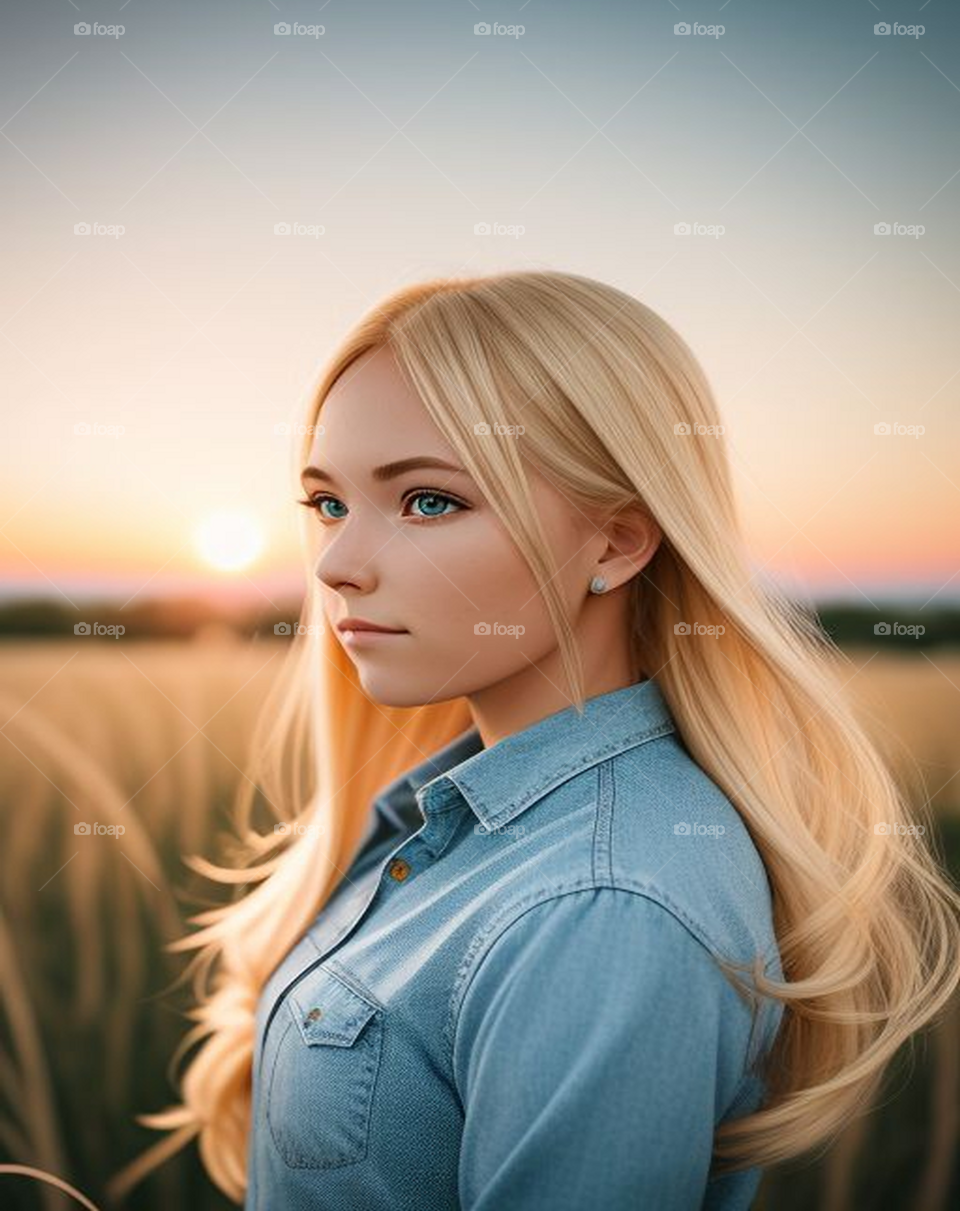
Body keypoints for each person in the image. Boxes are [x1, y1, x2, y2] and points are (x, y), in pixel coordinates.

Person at [110, 270, 960, 1209]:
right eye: (328, 503)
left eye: (429, 502)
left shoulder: (599, 906)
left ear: (616, 544)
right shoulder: (455, 817)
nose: (340, 566)